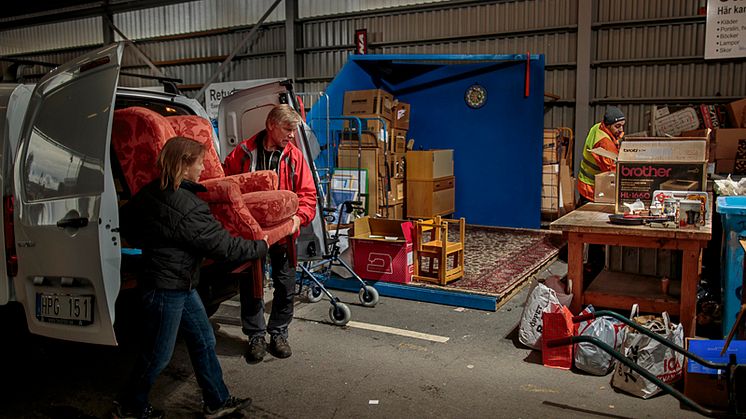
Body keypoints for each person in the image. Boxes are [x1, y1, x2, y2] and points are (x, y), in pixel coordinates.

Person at [115, 137, 269, 419]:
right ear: (184, 165)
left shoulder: (151, 192)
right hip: (166, 288)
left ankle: (216, 401)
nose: (203, 168)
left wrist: (155, 242)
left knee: (203, 339)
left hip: (177, 284)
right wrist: (263, 244)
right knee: (158, 355)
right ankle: (130, 407)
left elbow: (126, 222)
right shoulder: (188, 206)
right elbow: (225, 247)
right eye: (199, 162)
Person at [223, 104, 316, 363]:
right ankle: (255, 336)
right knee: (250, 285)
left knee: (285, 283)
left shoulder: (295, 157)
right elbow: (226, 188)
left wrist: (299, 218)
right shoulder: (241, 153)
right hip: (251, 233)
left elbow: (308, 196)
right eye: (288, 129)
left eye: (294, 129)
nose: (291, 135)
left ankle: (278, 332)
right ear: (271, 125)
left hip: (284, 233)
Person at [577, 106, 626, 204]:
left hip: (584, 183)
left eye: (622, 125)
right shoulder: (605, 143)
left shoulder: (598, 127)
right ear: (608, 126)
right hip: (592, 188)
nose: (621, 129)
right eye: (617, 126)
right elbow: (612, 171)